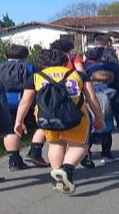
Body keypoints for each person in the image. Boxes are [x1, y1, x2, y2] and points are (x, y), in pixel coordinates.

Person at [14, 49, 105, 194]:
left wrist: (19, 121)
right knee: (80, 145)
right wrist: (99, 118)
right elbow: (91, 98)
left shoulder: (36, 77)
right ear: (64, 61)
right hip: (76, 116)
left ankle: (57, 176)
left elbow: (25, 101)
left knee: (56, 143)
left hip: (47, 117)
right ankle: (66, 169)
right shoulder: (79, 75)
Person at [0, 44, 49, 168]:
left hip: (3, 104)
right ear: (26, 56)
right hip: (28, 103)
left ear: (5, 55)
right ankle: (35, 152)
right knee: (42, 125)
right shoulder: (31, 67)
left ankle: (14, 161)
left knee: (9, 130)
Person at [85, 45, 119, 130]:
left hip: (92, 92)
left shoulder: (85, 68)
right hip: (110, 90)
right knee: (116, 105)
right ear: (101, 56)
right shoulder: (112, 65)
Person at [87, 70, 119, 165]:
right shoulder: (112, 92)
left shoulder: (88, 90)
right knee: (107, 137)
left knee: (89, 137)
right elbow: (117, 108)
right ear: (109, 81)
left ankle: (86, 154)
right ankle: (106, 155)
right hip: (107, 118)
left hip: (91, 118)